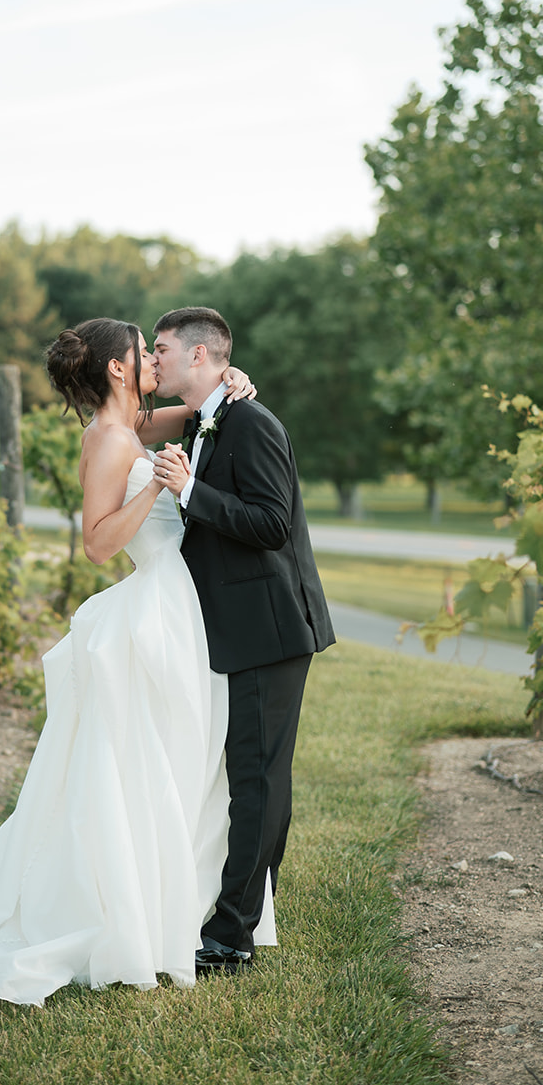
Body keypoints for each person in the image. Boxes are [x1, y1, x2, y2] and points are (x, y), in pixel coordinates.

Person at [0, 317, 262, 1008]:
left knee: (185, 760)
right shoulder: (111, 439)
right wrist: (157, 489)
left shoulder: (131, 425)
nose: (151, 358)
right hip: (155, 602)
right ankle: (143, 911)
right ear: (118, 369)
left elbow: (197, 411)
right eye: (143, 352)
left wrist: (230, 382)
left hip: (180, 604)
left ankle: (179, 900)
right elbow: (96, 544)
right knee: (156, 762)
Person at [152, 306, 335, 976]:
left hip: (270, 625)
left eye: (164, 348)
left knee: (255, 780)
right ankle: (248, 912)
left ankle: (230, 935)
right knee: (256, 777)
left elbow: (270, 524)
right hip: (241, 625)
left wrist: (189, 489)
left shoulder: (249, 421)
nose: (155, 359)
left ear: (201, 356)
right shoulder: (210, 418)